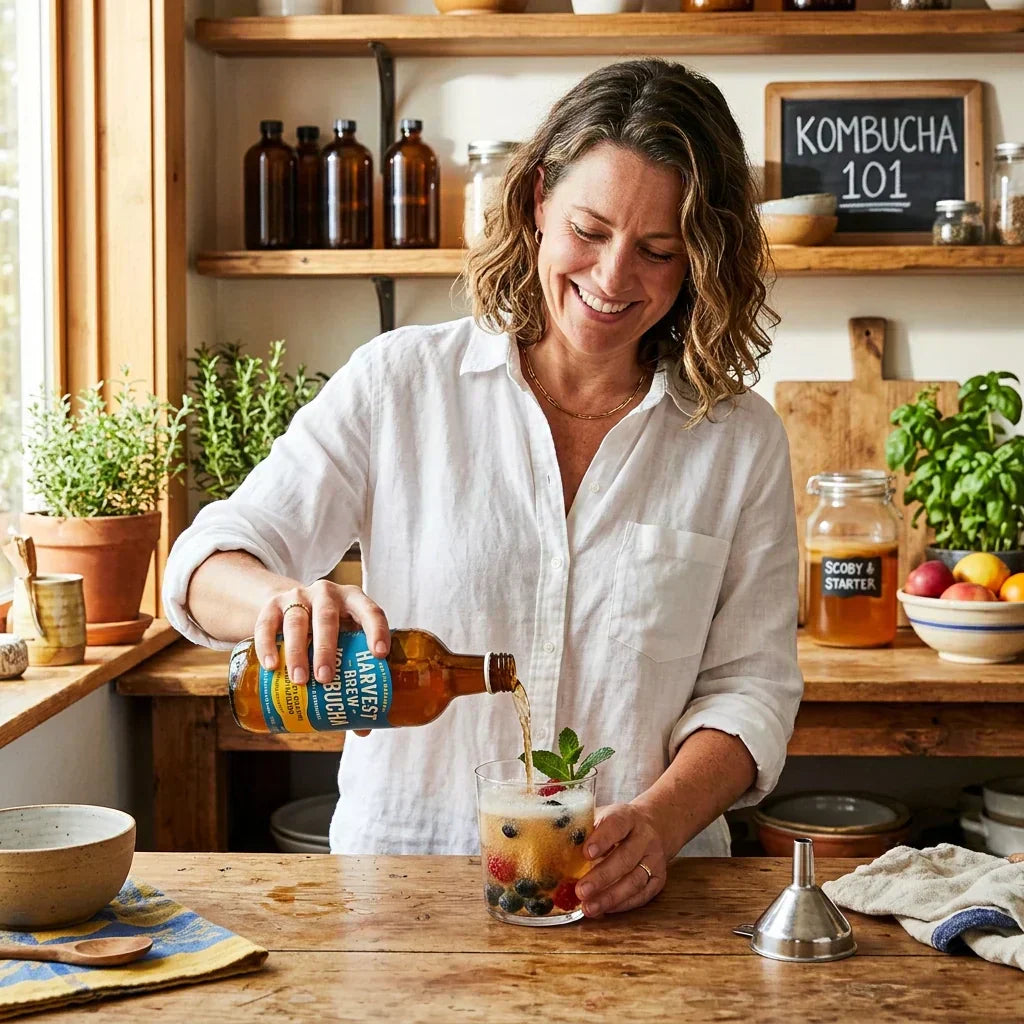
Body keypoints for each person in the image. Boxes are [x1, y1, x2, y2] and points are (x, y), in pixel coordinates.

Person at [163, 59, 803, 919]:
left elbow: (752, 688)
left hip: (641, 900)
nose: (614, 279)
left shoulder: (739, 441)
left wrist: (662, 821)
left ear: (702, 256)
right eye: (589, 229)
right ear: (538, 199)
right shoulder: (400, 385)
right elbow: (206, 561)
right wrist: (285, 599)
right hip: (401, 893)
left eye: (658, 250)